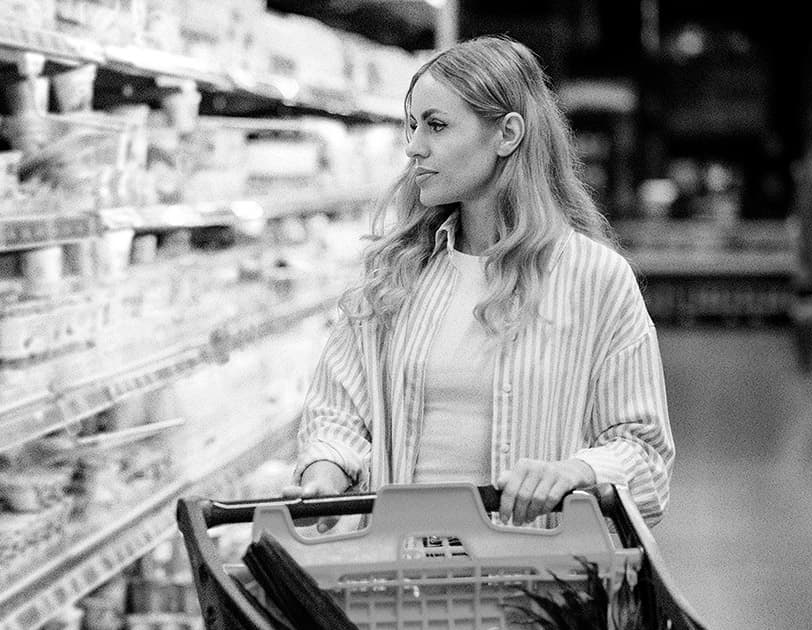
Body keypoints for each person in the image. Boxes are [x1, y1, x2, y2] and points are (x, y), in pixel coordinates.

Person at [286, 35, 674, 528]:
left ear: (507, 134)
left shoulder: (595, 279)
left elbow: (644, 455)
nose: (413, 146)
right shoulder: (396, 274)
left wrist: (576, 472)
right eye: (412, 126)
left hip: (538, 583)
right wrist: (324, 471)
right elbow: (338, 411)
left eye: (437, 126)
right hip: (401, 579)